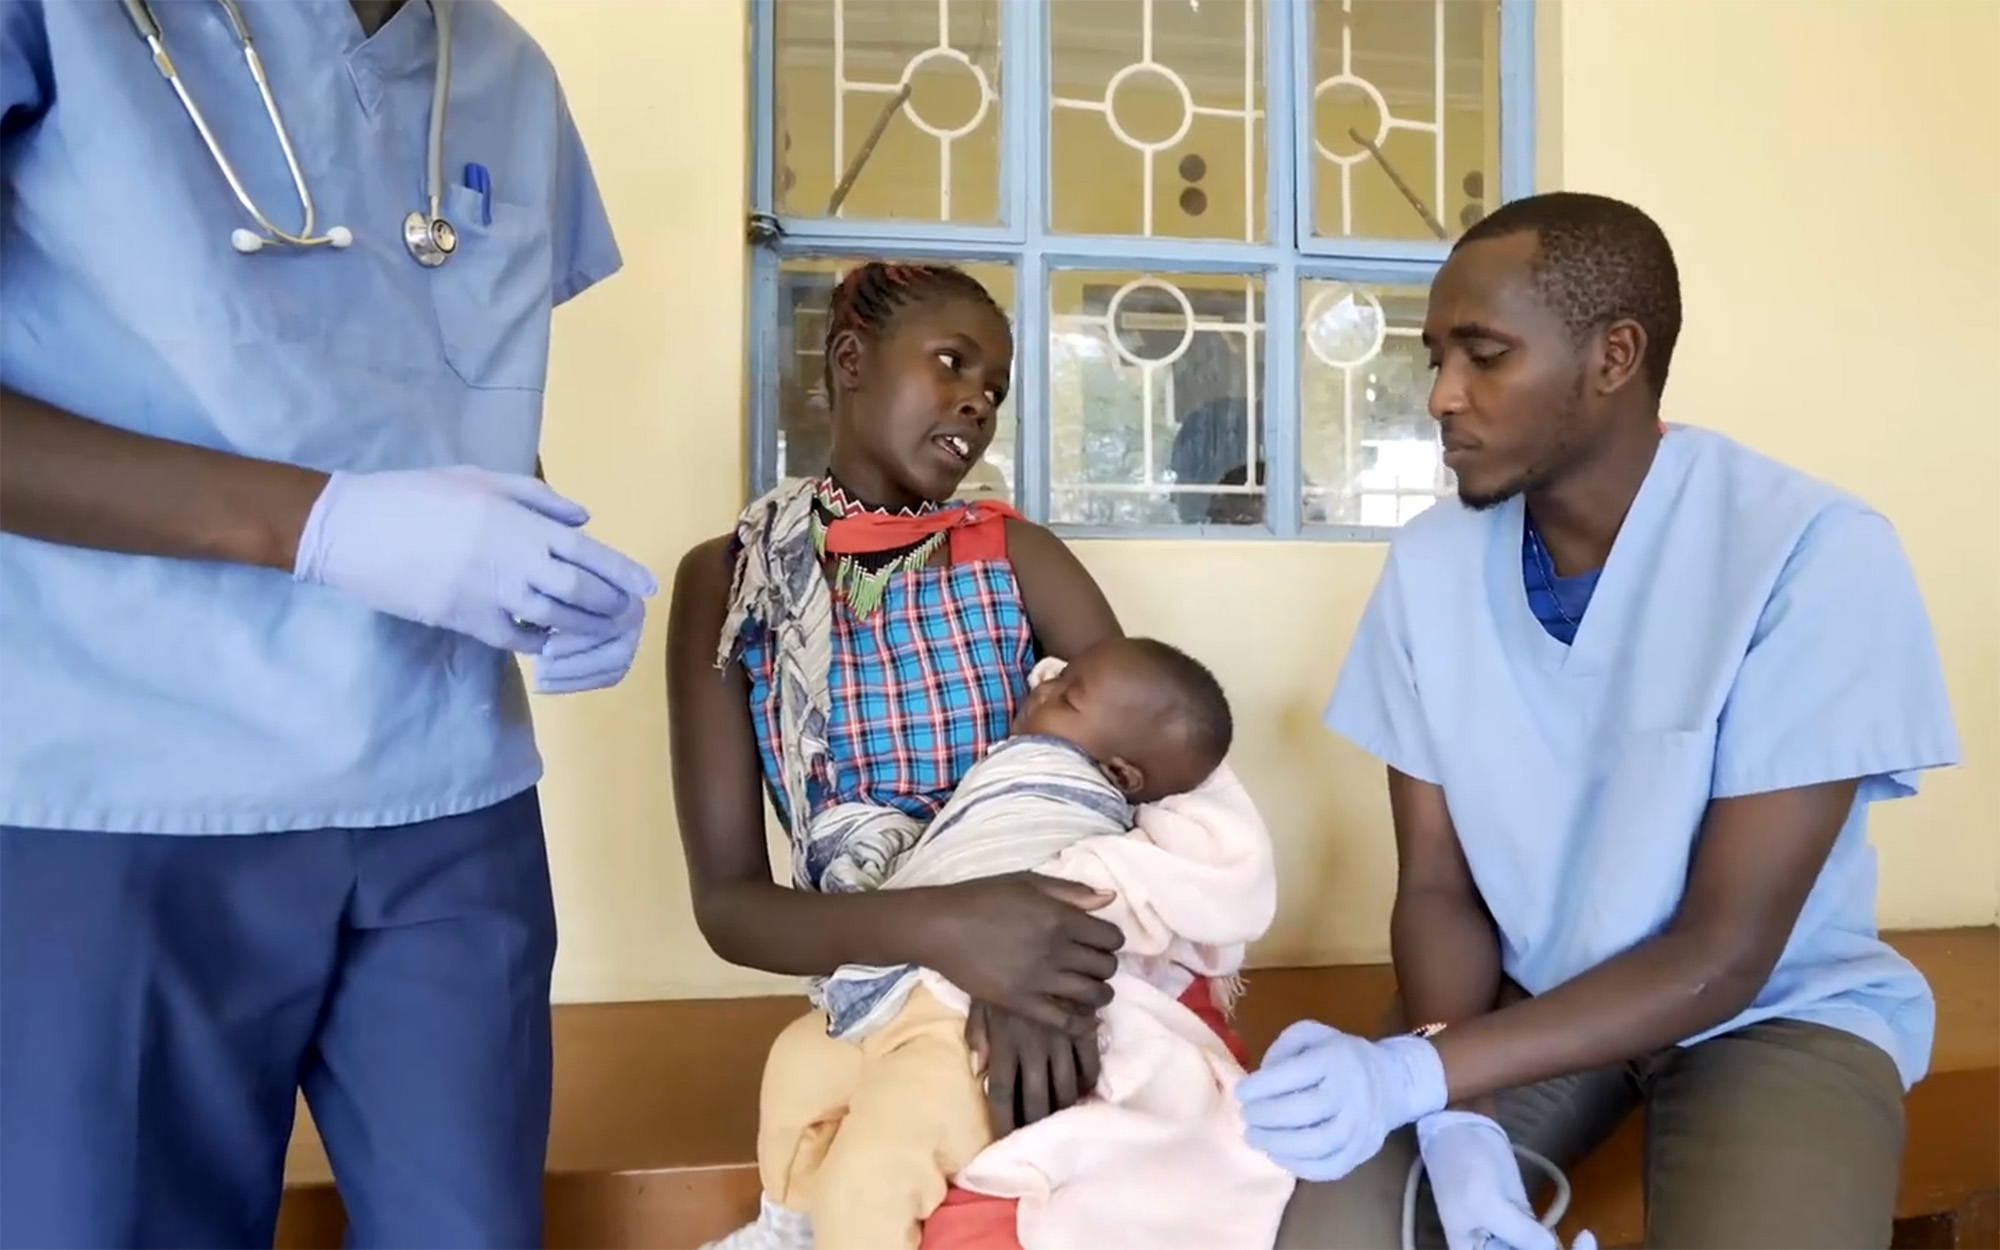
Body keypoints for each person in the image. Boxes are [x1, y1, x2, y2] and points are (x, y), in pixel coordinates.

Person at [0, 2, 652, 1246]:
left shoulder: (502, 72)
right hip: (112, 794)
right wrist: (326, 524)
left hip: (448, 795)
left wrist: (536, 570)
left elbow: (431, 388)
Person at [1237, 190, 1959, 1250]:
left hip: (1769, 1007)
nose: (1440, 395)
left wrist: (1414, 1073)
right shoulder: (1431, 566)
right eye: (1434, 357)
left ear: (1613, 355)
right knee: (1338, 1232)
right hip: (1520, 998)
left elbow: (1723, 950)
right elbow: (1437, 887)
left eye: (1483, 355)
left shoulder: (1811, 552)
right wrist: (1458, 1112)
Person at [667, 260, 1149, 1246]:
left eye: (995, 389)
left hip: (1056, 960)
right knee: (805, 1101)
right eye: (952, 363)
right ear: (850, 360)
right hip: (873, 987)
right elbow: (730, 906)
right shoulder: (732, 584)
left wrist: (1041, 978)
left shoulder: (1020, 558)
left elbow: (1150, 788)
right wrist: (961, 934)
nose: (978, 401)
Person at [741, 635, 1237, 1250]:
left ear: (1119, 773)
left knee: (873, 1175)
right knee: (795, 1068)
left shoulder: (1087, 807)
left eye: (1067, 697)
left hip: (969, 1028)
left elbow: (1114, 892)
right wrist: (1072, 697)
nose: (1042, 687)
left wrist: (1031, 982)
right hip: (891, 991)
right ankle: (784, 1227)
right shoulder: (1028, 752)